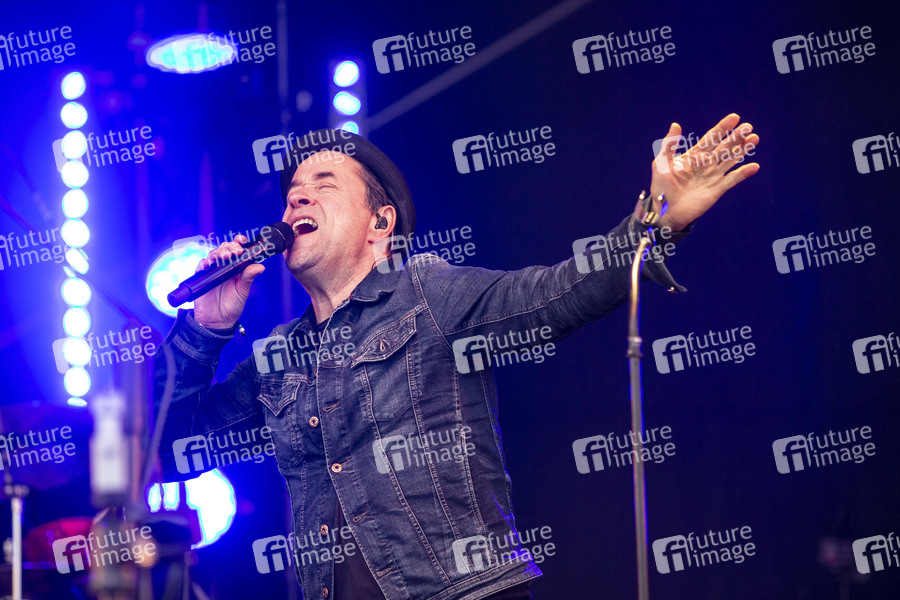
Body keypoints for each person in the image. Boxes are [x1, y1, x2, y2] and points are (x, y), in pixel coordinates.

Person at [154, 114, 759, 599]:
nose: (296, 202)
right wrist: (205, 330)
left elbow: (559, 293)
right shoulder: (279, 358)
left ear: (380, 222)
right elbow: (167, 452)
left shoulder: (429, 292)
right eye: (291, 197)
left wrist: (656, 221)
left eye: (323, 186)